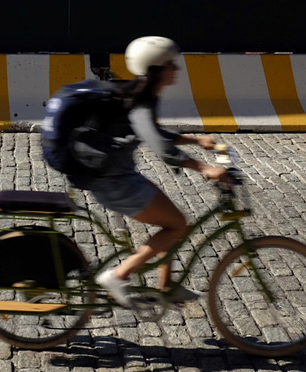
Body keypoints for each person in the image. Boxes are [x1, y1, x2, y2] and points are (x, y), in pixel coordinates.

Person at [84, 36, 229, 308]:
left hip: (116, 175)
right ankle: (118, 276)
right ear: (157, 69)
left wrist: (196, 141)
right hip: (114, 181)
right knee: (176, 225)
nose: (177, 69)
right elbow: (160, 145)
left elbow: (153, 132)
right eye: (171, 64)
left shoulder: (140, 93)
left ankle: (166, 286)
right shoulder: (142, 99)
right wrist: (203, 167)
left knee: (173, 219)